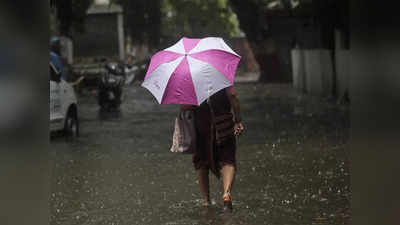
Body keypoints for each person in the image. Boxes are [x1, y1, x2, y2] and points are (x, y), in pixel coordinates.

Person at [181, 86, 244, 212]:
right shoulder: (220, 74)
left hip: (200, 125)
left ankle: (206, 201)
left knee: (201, 161)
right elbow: (233, 96)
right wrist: (238, 120)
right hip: (223, 123)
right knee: (228, 158)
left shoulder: (190, 80)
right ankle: (226, 195)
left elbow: (185, 107)